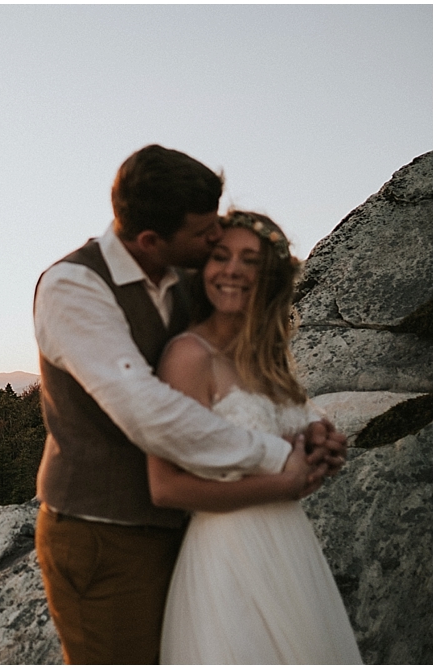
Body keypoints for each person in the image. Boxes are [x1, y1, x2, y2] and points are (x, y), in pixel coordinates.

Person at [33, 144, 347, 664]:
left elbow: (243, 365)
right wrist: (276, 458)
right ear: (151, 240)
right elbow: (150, 412)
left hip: (196, 527)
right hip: (105, 536)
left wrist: (310, 424)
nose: (217, 239)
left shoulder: (184, 274)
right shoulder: (74, 288)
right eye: (206, 233)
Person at [148, 210, 362, 663]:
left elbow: (294, 448)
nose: (232, 271)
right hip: (229, 557)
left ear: (271, 277)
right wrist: (284, 484)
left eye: (250, 260)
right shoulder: (188, 357)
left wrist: (321, 449)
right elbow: (165, 486)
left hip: (291, 550)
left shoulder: (269, 362)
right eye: (221, 256)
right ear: (202, 269)